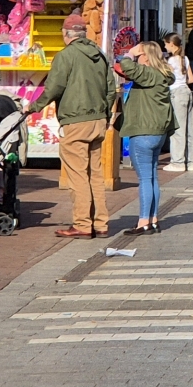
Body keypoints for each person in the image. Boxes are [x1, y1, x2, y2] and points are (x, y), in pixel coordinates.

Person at [26, 14, 121, 238]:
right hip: (98, 120)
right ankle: (100, 223)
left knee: (77, 175)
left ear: (66, 34)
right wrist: (105, 114)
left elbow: (53, 87)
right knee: (95, 175)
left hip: (76, 120)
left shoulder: (66, 56)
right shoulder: (100, 55)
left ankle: (82, 224)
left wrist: (33, 107)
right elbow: (110, 88)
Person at [117, 42, 177, 236]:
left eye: (140, 55)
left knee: (144, 178)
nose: (137, 58)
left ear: (146, 57)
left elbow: (126, 65)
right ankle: (153, 219)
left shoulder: (149, 74)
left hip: (143, 132)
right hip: (158, 133)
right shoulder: (163, 75)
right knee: (152, 177)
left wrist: (129, 53)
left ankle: (143, 221)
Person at [162, 33, 193, 172]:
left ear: (172, 44)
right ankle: (190, 162)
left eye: (166, 44)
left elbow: (167, 77)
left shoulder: (171, 61)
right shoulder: (185, 59)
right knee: (190, 129)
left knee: (178, 129)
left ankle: (177, 162)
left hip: (176, 93)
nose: (165, 46)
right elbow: (191, 79)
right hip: (186, 91)